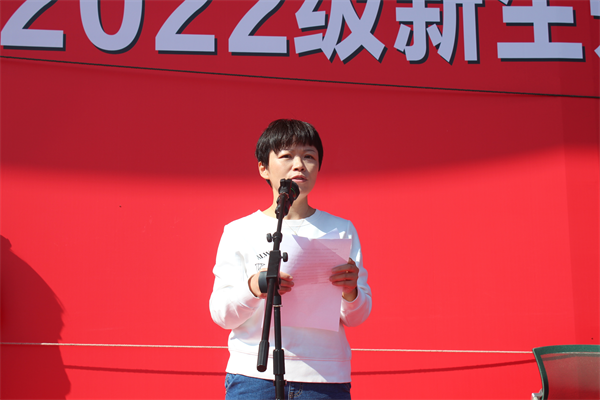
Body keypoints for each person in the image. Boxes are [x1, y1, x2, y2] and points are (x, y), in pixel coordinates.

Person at [209, 119, 372, 399]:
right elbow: (222, 314)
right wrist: (254, 287)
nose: (299, 165)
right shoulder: (239, 231)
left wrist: (350, 291)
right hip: (254, 375)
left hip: (323, 377)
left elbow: (357, 316)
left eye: (309, 156)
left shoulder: (340, 229)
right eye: (286, 156)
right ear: (263, 168)